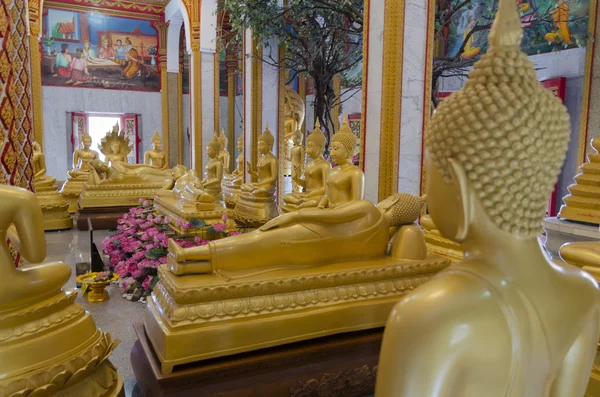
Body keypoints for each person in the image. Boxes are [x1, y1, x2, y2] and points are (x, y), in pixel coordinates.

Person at [169, 193, 425, 277]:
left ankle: (188, 256)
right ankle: (189, 265)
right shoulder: (381, 243)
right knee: (257, 255)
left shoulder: (370, 209)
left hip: (311, 234)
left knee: (254, 241)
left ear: (392, 203)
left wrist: (294, 215)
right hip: (313, 256)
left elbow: (329, 217)